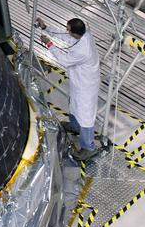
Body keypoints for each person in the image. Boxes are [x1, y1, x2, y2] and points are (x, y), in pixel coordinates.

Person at [37, 16, 100, 158]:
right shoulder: (83, 34)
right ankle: (74, 127)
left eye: (69, 29)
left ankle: (88, 148)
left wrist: (49, 44)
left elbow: (64, 60)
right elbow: (65, 35)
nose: (67, 31)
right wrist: (46, 27)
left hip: (86, 86)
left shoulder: (84, 50)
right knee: (74, 106)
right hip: (78, 81)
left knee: (85, 116)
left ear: (75, 32)